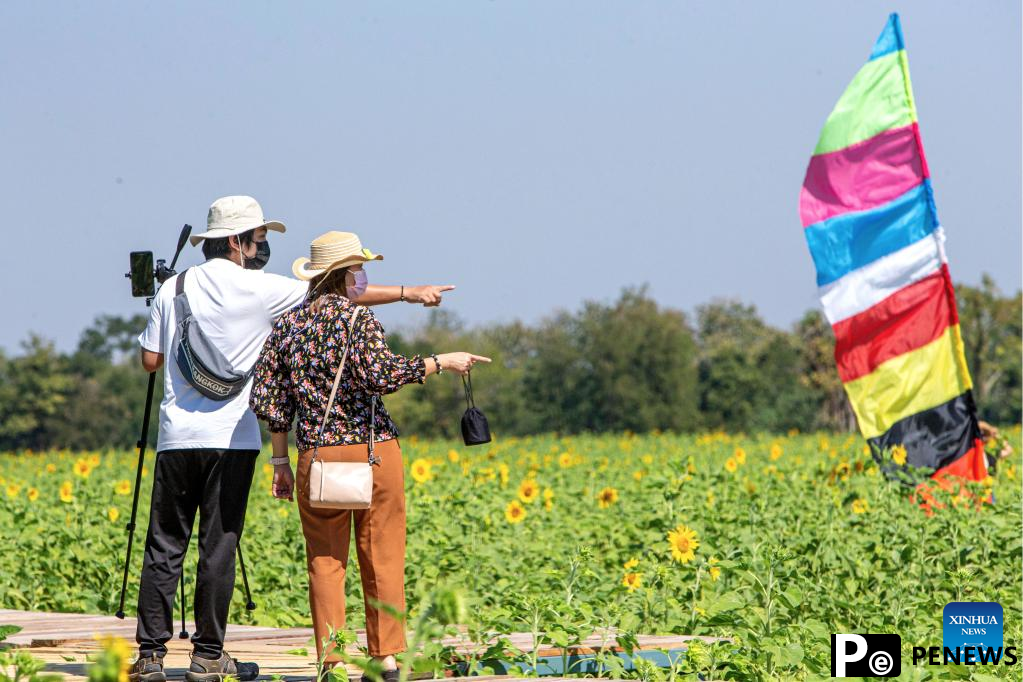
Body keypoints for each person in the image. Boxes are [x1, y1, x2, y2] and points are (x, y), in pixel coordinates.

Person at [131, 197, 453, 682]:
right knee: (219, 546)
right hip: (237, 439)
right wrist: (411, 297)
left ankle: (151, 656)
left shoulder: (173, 288)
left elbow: (150, 362)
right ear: (238, 242)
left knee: (164, 545)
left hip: (177, 437)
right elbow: (339, 305)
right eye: (260, 240)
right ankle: (207, 654)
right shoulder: (266, 291)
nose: (263, 249)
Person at [249, 230, 490, 681]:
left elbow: (272, 402)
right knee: (381, 555)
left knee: (324, 561)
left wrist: (280, 464)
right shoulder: (359, 323)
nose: (363, 276)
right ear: (344, 275)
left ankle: (333, 662)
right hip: (373, 452)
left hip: (315, 458)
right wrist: (442, 361)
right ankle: (385, 659)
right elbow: (383, 375)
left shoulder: (287, 326)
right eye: (359, 269)